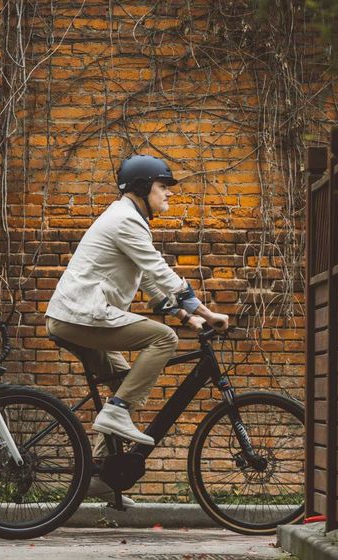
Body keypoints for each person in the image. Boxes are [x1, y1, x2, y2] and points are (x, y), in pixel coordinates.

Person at [45, 154, 229, 503]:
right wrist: (207, 311)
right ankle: (114, 413)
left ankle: (102, 476)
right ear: (144, 188)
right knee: (163, 339)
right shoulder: (125, 221)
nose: (169, 195)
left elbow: (149, 280)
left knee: (122, 383)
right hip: (81, 316)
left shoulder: (128, 219)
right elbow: (160, 271)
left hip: (83, 316)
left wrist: (189, 318)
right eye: (163, 187)